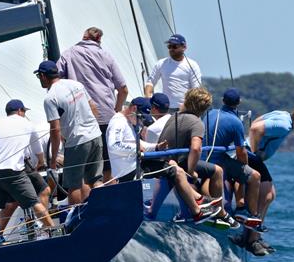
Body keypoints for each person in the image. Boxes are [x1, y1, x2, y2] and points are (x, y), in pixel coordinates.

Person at [106, 97, 220, 224]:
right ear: (133, 109)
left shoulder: (128, 121)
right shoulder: (118, 122)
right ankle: (197, 211)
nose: (142, 121)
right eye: (141, 117)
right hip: (129, 170)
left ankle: (198, 200)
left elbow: (138, 143)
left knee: (172, 165)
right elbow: (114, 145)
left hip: (137, 163)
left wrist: (155, 147)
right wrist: (137, 149)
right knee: (177, 172)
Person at [234, 104, 294, 255]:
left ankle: (253, 236)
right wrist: (252, 154)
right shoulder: (284, 125)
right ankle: (251, 239)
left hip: (249, 154)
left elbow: (257, 121)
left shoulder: (283, 114)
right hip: (250, 155)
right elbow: (255, 129)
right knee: (267, 195)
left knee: (269, 195)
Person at [157, 87, 237, 228]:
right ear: (205, 107)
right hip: (179, 163)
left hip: (166, 160)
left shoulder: (173, 116)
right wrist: (192, 170)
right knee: (217, 170)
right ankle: (219, 213)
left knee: (213, 170)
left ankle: (212, 208)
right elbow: (196, 148)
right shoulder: (196, 122)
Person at [57, 27, 128, 182]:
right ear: (99, 40)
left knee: (80, 173)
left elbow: (55, 80)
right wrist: (116, 111)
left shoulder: (68, 54)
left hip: (79, 120)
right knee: (108, 167)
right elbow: (123, 89)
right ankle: (110, 200)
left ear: (84, 36)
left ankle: (86, 204)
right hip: (106, 118)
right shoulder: (106, 56)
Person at [0, 99, 54, 233]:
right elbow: (37, 148)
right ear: (19, 111)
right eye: (24, 111)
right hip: (14, 171)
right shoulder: (27, 123)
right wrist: (41, 162)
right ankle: (52, 229)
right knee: (34, 202)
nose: (24, 114)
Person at [34, 60, 102, 205]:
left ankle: (77, 221)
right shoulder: (76, 84)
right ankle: (102, 210)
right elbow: (93, 107)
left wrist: (52, 161)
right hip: (95, 135)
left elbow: (55, 129)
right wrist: (92, 128)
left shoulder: (50, 97)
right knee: (95, 180)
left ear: (43, 76)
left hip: (77, 142)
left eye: (39, 77)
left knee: (74, 185)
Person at [203, 89, 262, 231]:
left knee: (210, 175)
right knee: (254, 176)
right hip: (217, 159)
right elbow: (241, 151)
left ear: (223, 100)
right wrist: (244, 168)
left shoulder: (208, 114)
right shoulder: (236, 122)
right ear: (239, 103)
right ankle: (249, 213)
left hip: (201, 156)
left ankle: (210, 205)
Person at [144, 33, 202, 110]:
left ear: (184, 47)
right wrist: (148, 98)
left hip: (185, 108)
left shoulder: (192, 65)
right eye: (169, 46)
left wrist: (186, 106)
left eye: (174, 46)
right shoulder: (161, 63)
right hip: (165, 109)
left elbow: (196, 89)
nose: (171, 49)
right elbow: (150, 82)